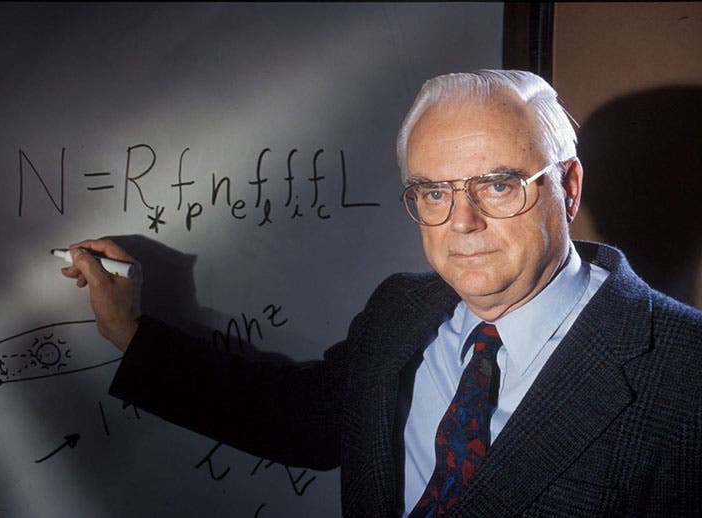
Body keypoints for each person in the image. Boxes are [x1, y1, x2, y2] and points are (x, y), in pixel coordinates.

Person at [61, 70, 702, 517]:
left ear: (567, 187)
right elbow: (302, 421)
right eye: (433, 192)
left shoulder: (685, 373)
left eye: (500, 185)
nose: (462, 222)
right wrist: (132, 335)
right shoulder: (402, 310)